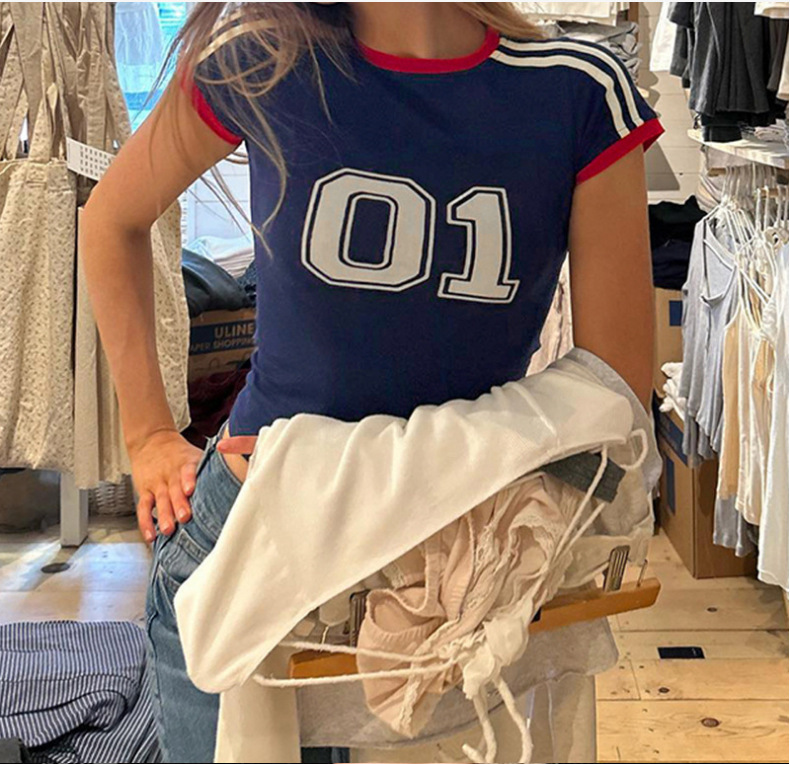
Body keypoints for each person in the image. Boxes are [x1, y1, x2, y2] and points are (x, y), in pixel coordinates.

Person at [80, 3, 663, 761]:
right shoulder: (263, 64)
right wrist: (149, 435)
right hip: (254, 542)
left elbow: (614, 398)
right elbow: (111, 220)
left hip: (449, 566)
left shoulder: (579, 90)